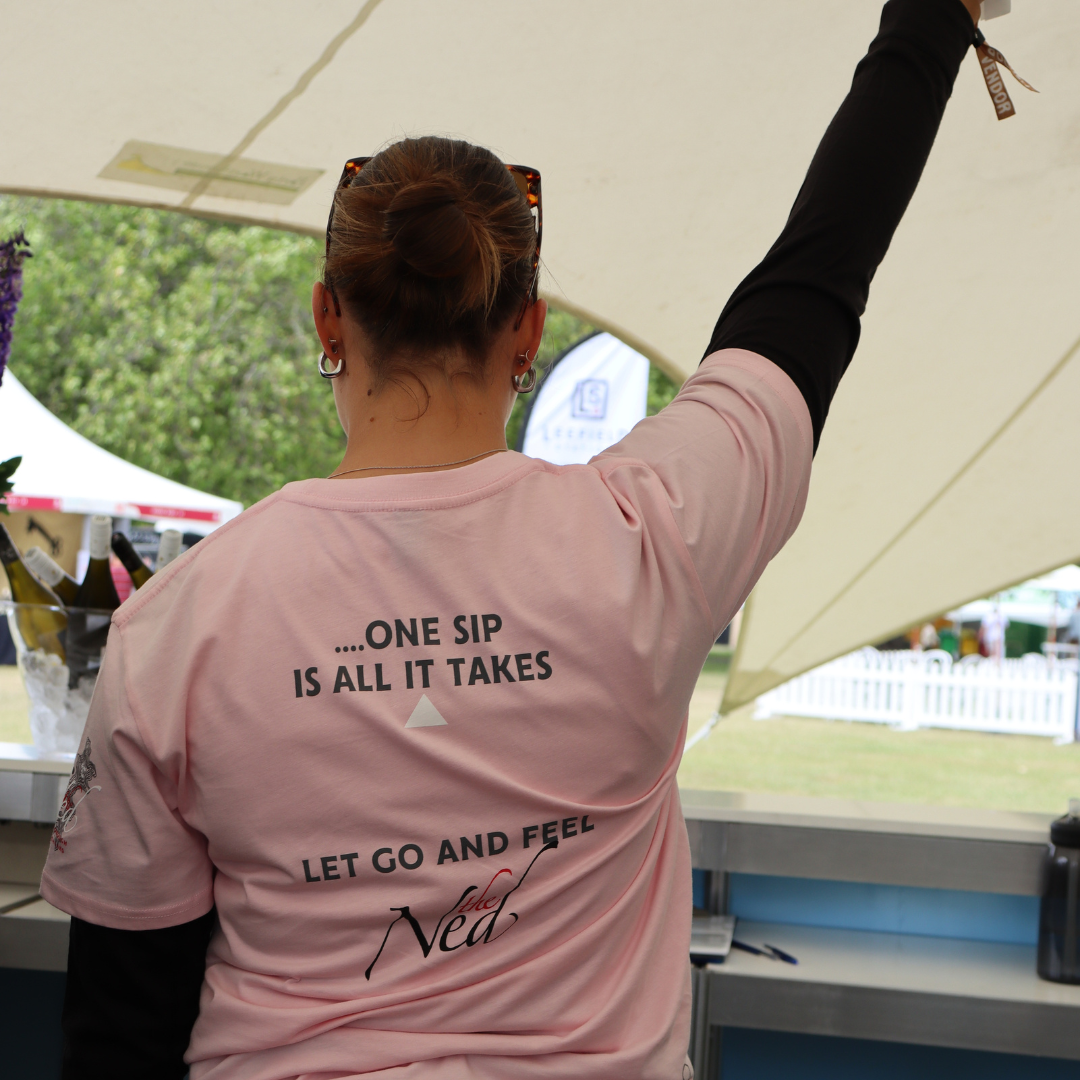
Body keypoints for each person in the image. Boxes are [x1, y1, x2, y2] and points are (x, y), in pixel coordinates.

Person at [41, 1, 984, 1077]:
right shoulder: (650, 537)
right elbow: (814, 287)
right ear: (527, 328)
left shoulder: (182, 622)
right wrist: (930, 21)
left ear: (327, 319)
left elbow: (122, 1019)